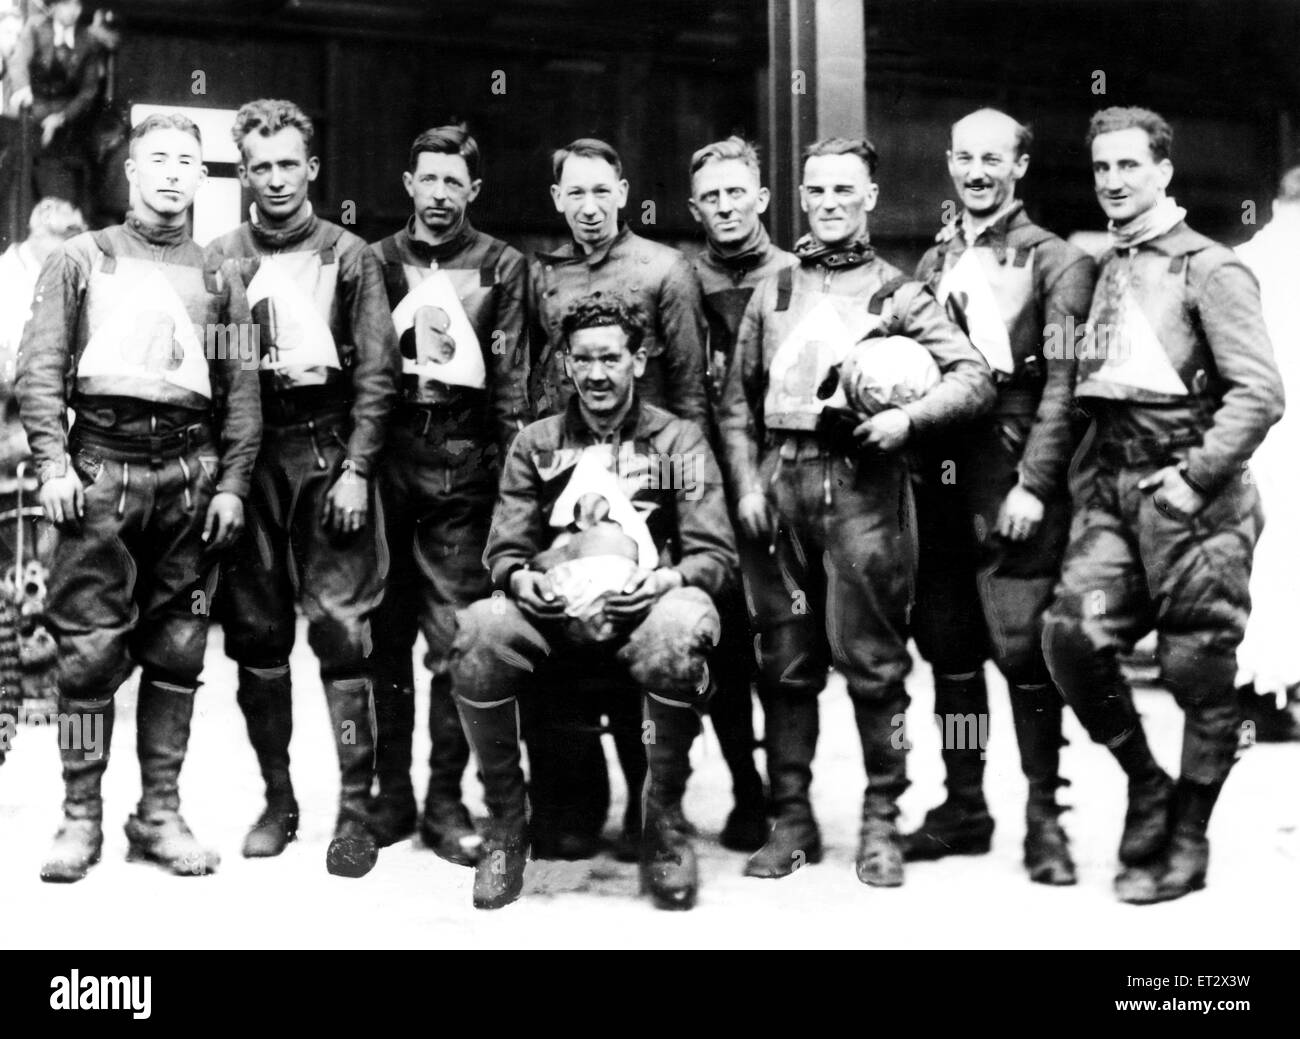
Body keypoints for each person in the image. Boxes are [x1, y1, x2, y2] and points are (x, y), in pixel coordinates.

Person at [719, 136, 994, 887]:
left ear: (871, 196)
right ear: (801, 195)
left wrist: (909, 421)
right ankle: (791, 820)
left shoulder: (900, 294)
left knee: (874, 667)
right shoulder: (774, 290)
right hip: (780, 488)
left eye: (846, 190)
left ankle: (881, 819)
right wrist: (746, 483)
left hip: (863, 491)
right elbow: (737, 403)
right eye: (817, 190)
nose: (831, 203)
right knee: (785, 666)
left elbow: (972, 377)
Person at [1041, 106, 1283, 904]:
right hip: (1111, 491)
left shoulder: (1209, 268)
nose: (1113, 181)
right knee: (1071, 634)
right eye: (1102, 168)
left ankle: (1189, 833)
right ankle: (1148, 784)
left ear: (1163, 172)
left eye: (1129, 166)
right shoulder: (1103, 263)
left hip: (1194, 501)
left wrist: (1196, 476)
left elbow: (1259, 392)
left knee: (1198, 669)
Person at [14, 111, 260, 882]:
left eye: (188, 161)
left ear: (201, 175)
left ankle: (158, 812)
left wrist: (233, 482)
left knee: (179, 649)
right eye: (157, 159)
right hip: (100, 478)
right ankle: (80, 815)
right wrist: (55, 463)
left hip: (188, 479)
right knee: (87, 656)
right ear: (130, 171)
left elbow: (240, 391)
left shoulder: (223, 278)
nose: (172, 173)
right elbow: (40, 368)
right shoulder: (82, 261)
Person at [450, 292, 735, 910]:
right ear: (567, 365)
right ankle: (505, 827)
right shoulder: (536, 443)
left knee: (678, 628)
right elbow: (504, 551)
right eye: (583, 360)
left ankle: (663, 829)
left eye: (611, 358)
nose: (597, 374)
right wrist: (522, 581)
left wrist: (661, 583)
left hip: (644, 605)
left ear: (639, 360)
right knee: (480, 629)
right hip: (555, 609)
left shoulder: (677, 440)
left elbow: (713, 556)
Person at [207, 98, 400, 878]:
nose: (277, 179)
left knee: (342, 633)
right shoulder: (222, 259)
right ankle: (278, 798)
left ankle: (355, 810)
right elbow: (225, 378)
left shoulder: (350, 256)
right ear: (244, 173)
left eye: (290, 164)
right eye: (262, 167)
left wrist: (356, 466)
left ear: (311, 168)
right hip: (253, 457)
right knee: (257, 634)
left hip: (328, 449)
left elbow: (379, 375)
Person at [906, 109, 1096, 883]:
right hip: (937, 473)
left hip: (1011, 464)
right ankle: (963, 804)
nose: (977, 171)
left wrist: (1035, 482)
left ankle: (1045, 814)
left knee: (1022, 647)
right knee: (949, 646)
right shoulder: (930, 261)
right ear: (949, 163)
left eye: (994, 158)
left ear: (1020, 165)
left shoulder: (1056, 262)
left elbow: (1067, 388)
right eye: (965, 158)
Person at [525, 136, 709, 858]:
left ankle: (651, 807)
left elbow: (690, 393)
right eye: (576, 193)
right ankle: (575, 801)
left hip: (652, 476)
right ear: (557, 199)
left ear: (624, 191)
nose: (590, 207)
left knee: (645, 630)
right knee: (565, 629)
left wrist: (684, 507)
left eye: (603, 191)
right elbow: (541, 386)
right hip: (571, 476)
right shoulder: (546, 275)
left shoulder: (667, 268)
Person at [366, 124, 529, 862]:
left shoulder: (501, 266)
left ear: (474, 190)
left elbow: (514, 385)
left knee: (451, 639)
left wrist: (509, 484)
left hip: (463, 464)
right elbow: (358, 371)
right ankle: (389, 796)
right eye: (426, 180)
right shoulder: (374, 261)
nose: (438, 195)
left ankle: (441, 800)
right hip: (385, 458)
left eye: (452, 183)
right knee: (379, 634)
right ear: (408, 183)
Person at [686, 134, 795, 851]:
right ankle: (746, 789)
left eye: (737, 193)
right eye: (712, 197)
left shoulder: (795, 275)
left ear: (760, 198)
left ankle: (793, 795)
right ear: (696, 207)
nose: (726, 206)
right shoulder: (680, 277)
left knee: (784, 642)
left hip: (778, 476)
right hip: (701, 482)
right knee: (722, 648)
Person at [1234, 165, 1300, 740]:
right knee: (1278, 561)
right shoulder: (1256, 260)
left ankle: (1262, 695)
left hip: (1262, 432)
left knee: (1266, 558)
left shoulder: (1246, 258)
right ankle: (1264, 695)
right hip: (1279, 431)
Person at [7, 0, 106, 216]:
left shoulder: (87, 40)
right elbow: (18, 62)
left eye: (78, 6)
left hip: (67, 126)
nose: (73, 11)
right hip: (33, 116)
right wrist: (23, 90)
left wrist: (61, 117)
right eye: (67, 4)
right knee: (23, 178)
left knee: (64, 186)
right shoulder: (36, 28)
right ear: (54, 7)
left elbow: (88, 91)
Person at [0, 196, 84, 384]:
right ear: (38, 231)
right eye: (61, 238)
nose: (67, 249)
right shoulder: (4, 275)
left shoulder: (68, 276)